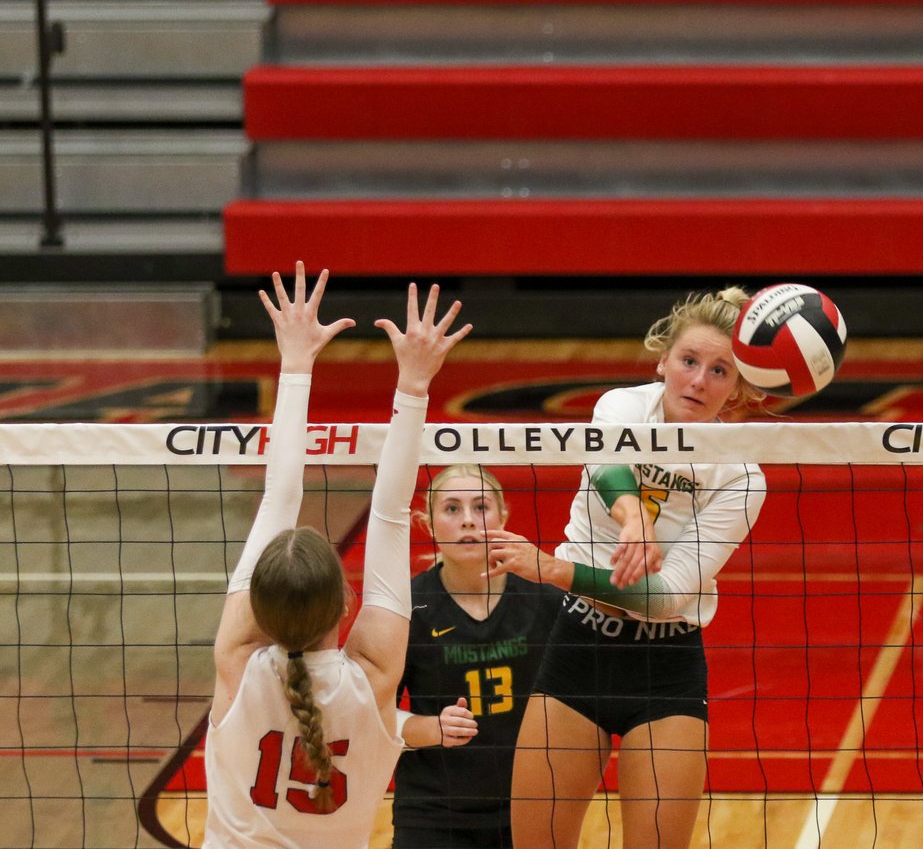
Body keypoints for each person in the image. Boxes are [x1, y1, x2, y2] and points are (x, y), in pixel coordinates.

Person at [485, 287, 768, 849]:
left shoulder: (741, 476)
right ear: (663, 361)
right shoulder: (622, 407)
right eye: (689, 361)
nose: (698, 381)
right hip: (577, 649)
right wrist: (632, 512)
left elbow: (664, 598)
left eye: (719, 371)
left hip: (666, 668)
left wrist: (555, 571)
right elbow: (607, 464)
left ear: (736, 386)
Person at [202, 262, 470, 848]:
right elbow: (391, 511)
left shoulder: (237, 664)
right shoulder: (372, 679)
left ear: (259, 609)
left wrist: (295, 363)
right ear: (344, 605)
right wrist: (414, 383)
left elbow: (280, 495)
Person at [392, 465, 563, 849]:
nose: (468, 520)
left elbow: (587, 701)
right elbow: (371, 713)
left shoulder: (546, 600)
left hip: (530, 805)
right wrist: (428, 727)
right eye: (452, 509)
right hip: (433, 810)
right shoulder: (407, 607)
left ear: (503, 518)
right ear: (428, 524)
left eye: (480, 507)